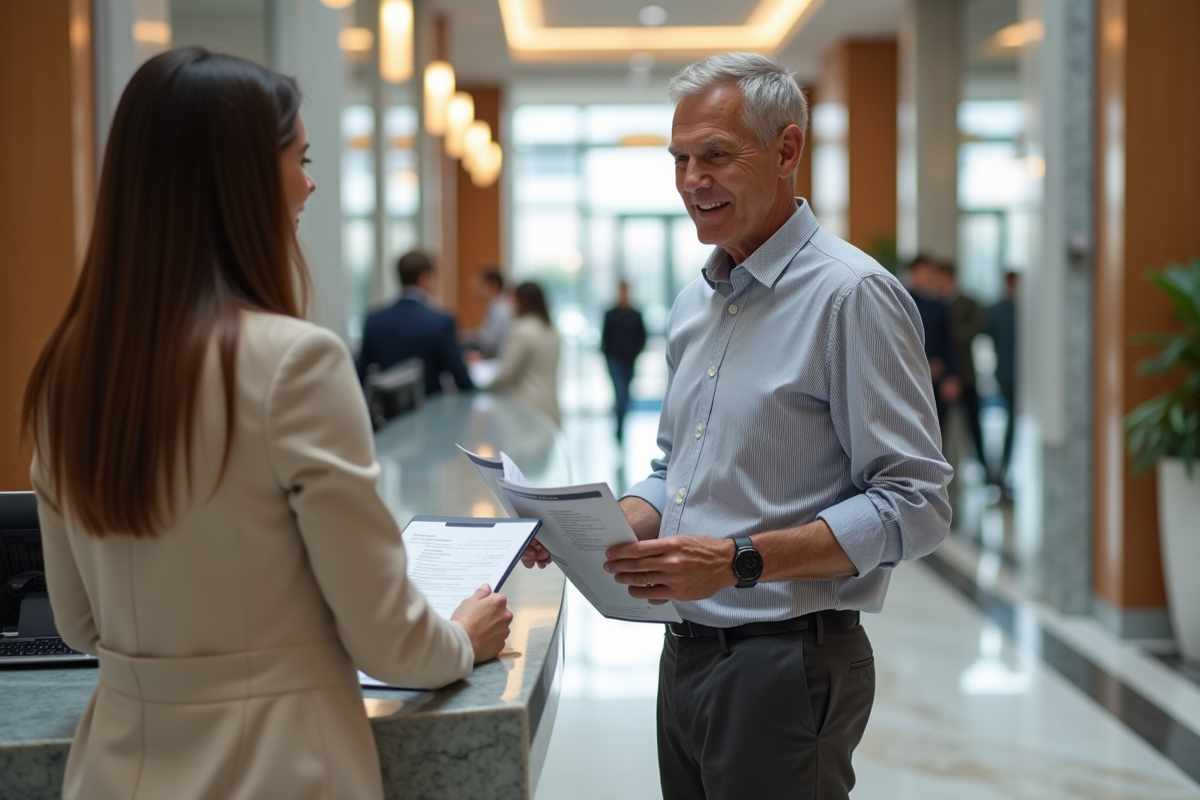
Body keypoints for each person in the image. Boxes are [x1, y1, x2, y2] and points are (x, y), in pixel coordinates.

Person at [21, 47, 511, 800]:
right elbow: (387, 636)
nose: (310, 182)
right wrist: (461, 639)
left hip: (112, 768)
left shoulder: (66, 374)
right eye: (300, 157)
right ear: (238, 178)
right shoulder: (296, 363)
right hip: (277, 766)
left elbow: (82, 624)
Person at [597, 53, 952, 799]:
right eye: (681, 158)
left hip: (787, 665)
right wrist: (612, 521)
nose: (693, 180)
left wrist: (739, 560)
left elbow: (916, 504)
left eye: (717, 156)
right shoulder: (697, 303)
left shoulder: (851, 296)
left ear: (787, 151)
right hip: (686, 654)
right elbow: (674, 470)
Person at [357, 251, 475, 397]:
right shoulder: (441, 321)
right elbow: (462, 380)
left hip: (389, 414)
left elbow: (360, 374)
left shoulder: (374, 319)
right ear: (424, 278)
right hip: (431, 412)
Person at [488, 282, 561, 425]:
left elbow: (506, 372)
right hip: (551, 406)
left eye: (512, 300)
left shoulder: (521, 329)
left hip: (526, 408)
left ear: (521, 302)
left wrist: (483, 387)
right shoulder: (552, 329)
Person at [906, 253, 960, 436]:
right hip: (911, 376)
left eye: (928, 272)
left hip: (937, 377)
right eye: (920, 272)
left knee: (938, 431)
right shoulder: (902, 302)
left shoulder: (940, 305)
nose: (925, 277)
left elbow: (948, 341)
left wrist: (951, 374)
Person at [940, 261, 988, 464]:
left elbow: (979, 326)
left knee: (974, 425)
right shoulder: (935, 304)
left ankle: (985, 468)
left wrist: (952, 336)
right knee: (940, 427)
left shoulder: (968, 302)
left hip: (966, 373)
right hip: (943, 376)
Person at [600, 280, 648, 442]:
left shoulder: (636, 314)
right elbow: (604, 338)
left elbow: (642, 337)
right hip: (614, 360)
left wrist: (635, 351)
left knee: (625, 395)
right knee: (620, 393)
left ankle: (621, 423)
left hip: (630, 360)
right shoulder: (610, 314)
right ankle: (619, 427)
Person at [987, 271, 1020, 488]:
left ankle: (1004, 469)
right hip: (1006, 373)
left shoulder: (1024, 311)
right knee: (1010, 422)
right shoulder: (998, 310)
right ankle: (1001, 470)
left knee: (1014, 423)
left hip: (1016, 374)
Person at [463, 267, 514, 360]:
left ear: (494, 287)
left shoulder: (500, 310)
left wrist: (468, 338)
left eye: (480, 286)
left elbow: (491, 344)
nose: (474, 291)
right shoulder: (497, 307)